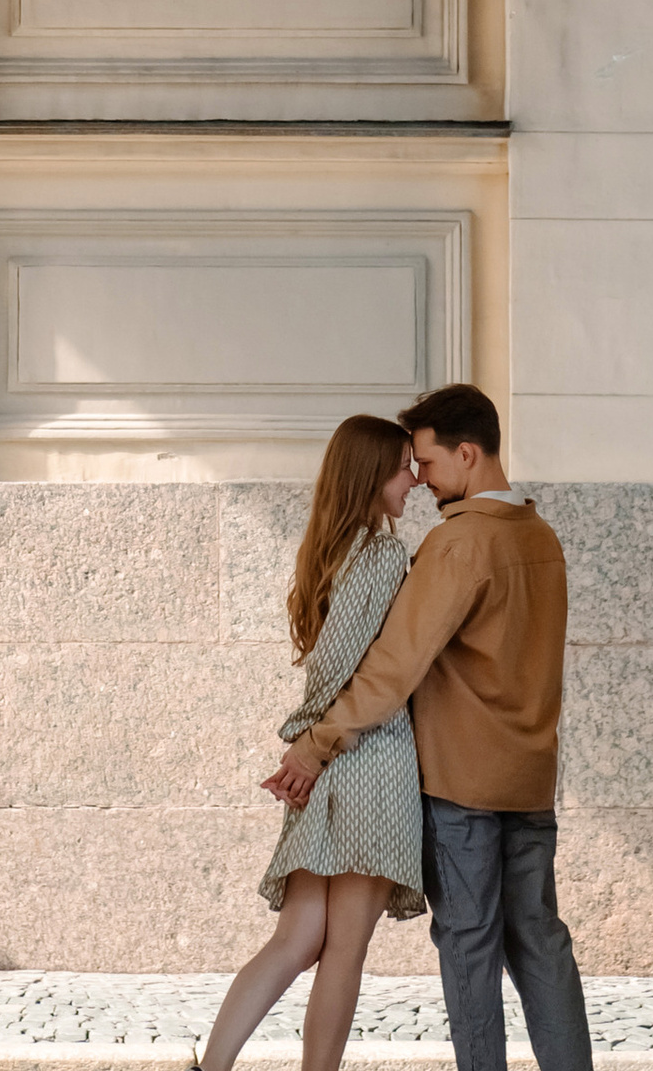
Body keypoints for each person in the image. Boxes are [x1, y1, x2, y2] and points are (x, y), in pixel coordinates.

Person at [267, 385, 590, 1071]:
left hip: (463, 787)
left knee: (470, 949)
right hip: (531, 783)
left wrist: (317, 742)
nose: (420, 478)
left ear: (467, 454)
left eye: (428, 462)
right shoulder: (542, 537)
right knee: (540, 942)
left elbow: (391, 669)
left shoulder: (458, 543)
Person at [197, 416, 427, 1071]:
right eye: (404, 465)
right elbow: (355, 665)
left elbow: (328, 659)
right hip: (371, 758)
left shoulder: (328, 555)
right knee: (345, 950)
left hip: (328, 763)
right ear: (372, 471)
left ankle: (211, 1067)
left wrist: (309, 746)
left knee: (295, 940)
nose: (414, 478)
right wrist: (316, 743)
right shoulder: (383, 556)